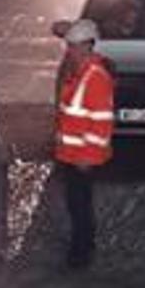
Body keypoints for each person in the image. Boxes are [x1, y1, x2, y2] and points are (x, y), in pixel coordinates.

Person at [54, 19, 116, 268]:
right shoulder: (80, 71)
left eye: (75, 46)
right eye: (69, 46)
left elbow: (101, 123)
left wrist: (88, 158)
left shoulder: (95, 77)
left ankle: (81, 254)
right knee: (76, 203)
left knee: (80, 206)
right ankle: (82, 247)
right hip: (72, 154)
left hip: (82, 158)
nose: (70, 51)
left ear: (88, 46)